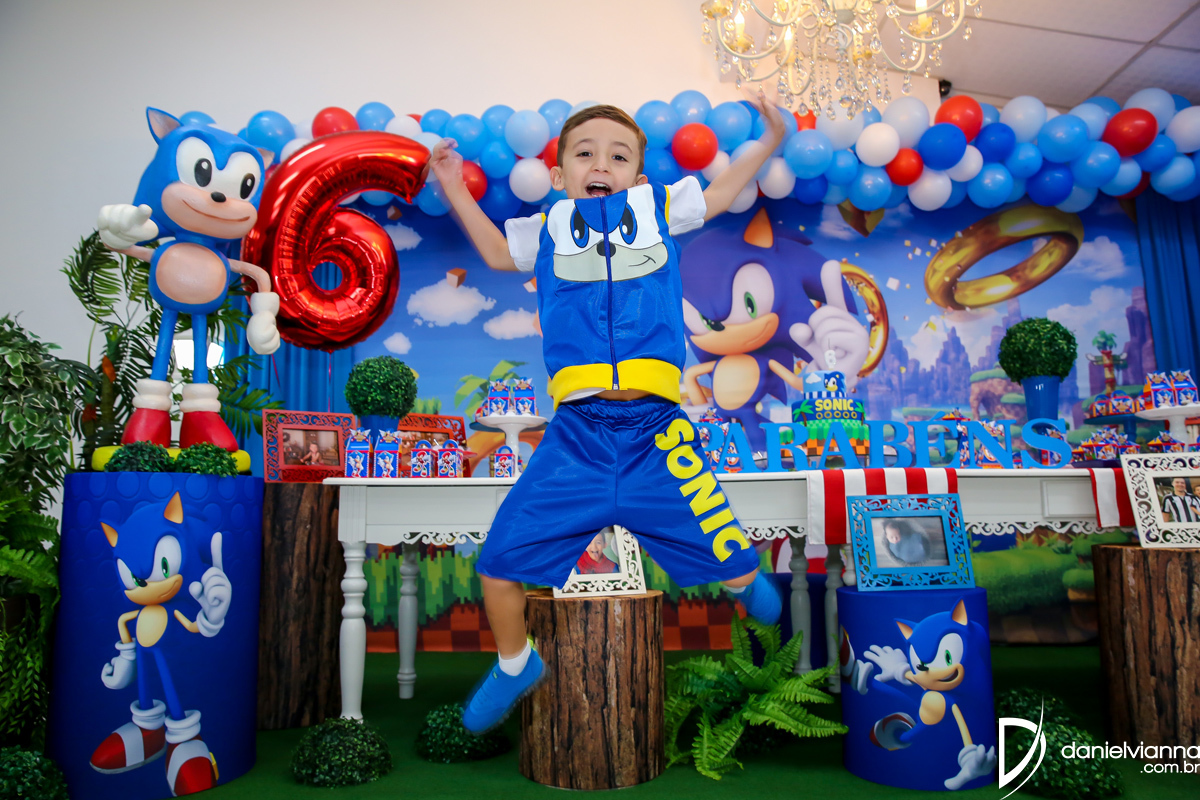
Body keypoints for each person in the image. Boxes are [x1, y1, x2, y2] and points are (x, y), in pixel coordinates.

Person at [429, 96, 787, 733]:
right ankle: (515, 664)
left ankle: (740, 579)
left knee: (722, 543)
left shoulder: (657, 209)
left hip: (658, 432)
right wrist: (454, 185)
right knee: (498, 563)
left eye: (619, 157)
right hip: (577, 437)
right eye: (585, 154)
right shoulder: (547, 229)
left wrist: (768, 141)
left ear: (639, 178)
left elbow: (723, 191)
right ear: (559, 174)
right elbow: (494, 252)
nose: (601, 165)